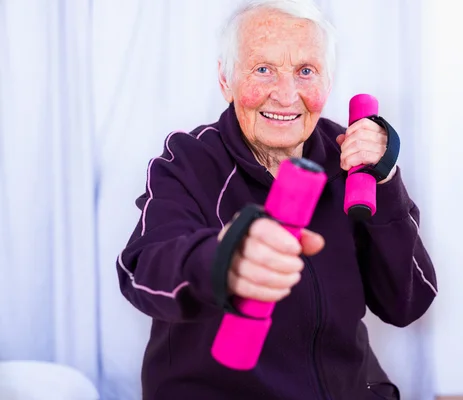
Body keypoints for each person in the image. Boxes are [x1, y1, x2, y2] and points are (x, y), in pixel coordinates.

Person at [116, 0, 438, 399]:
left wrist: (386, 182)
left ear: (328, 82)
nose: (286, 96)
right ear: (225, 80)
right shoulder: (188, 161)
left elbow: (407, 303)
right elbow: (140, 273)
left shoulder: (348, 163)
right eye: (263, 69)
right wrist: (222, 261)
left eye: (306, 71)